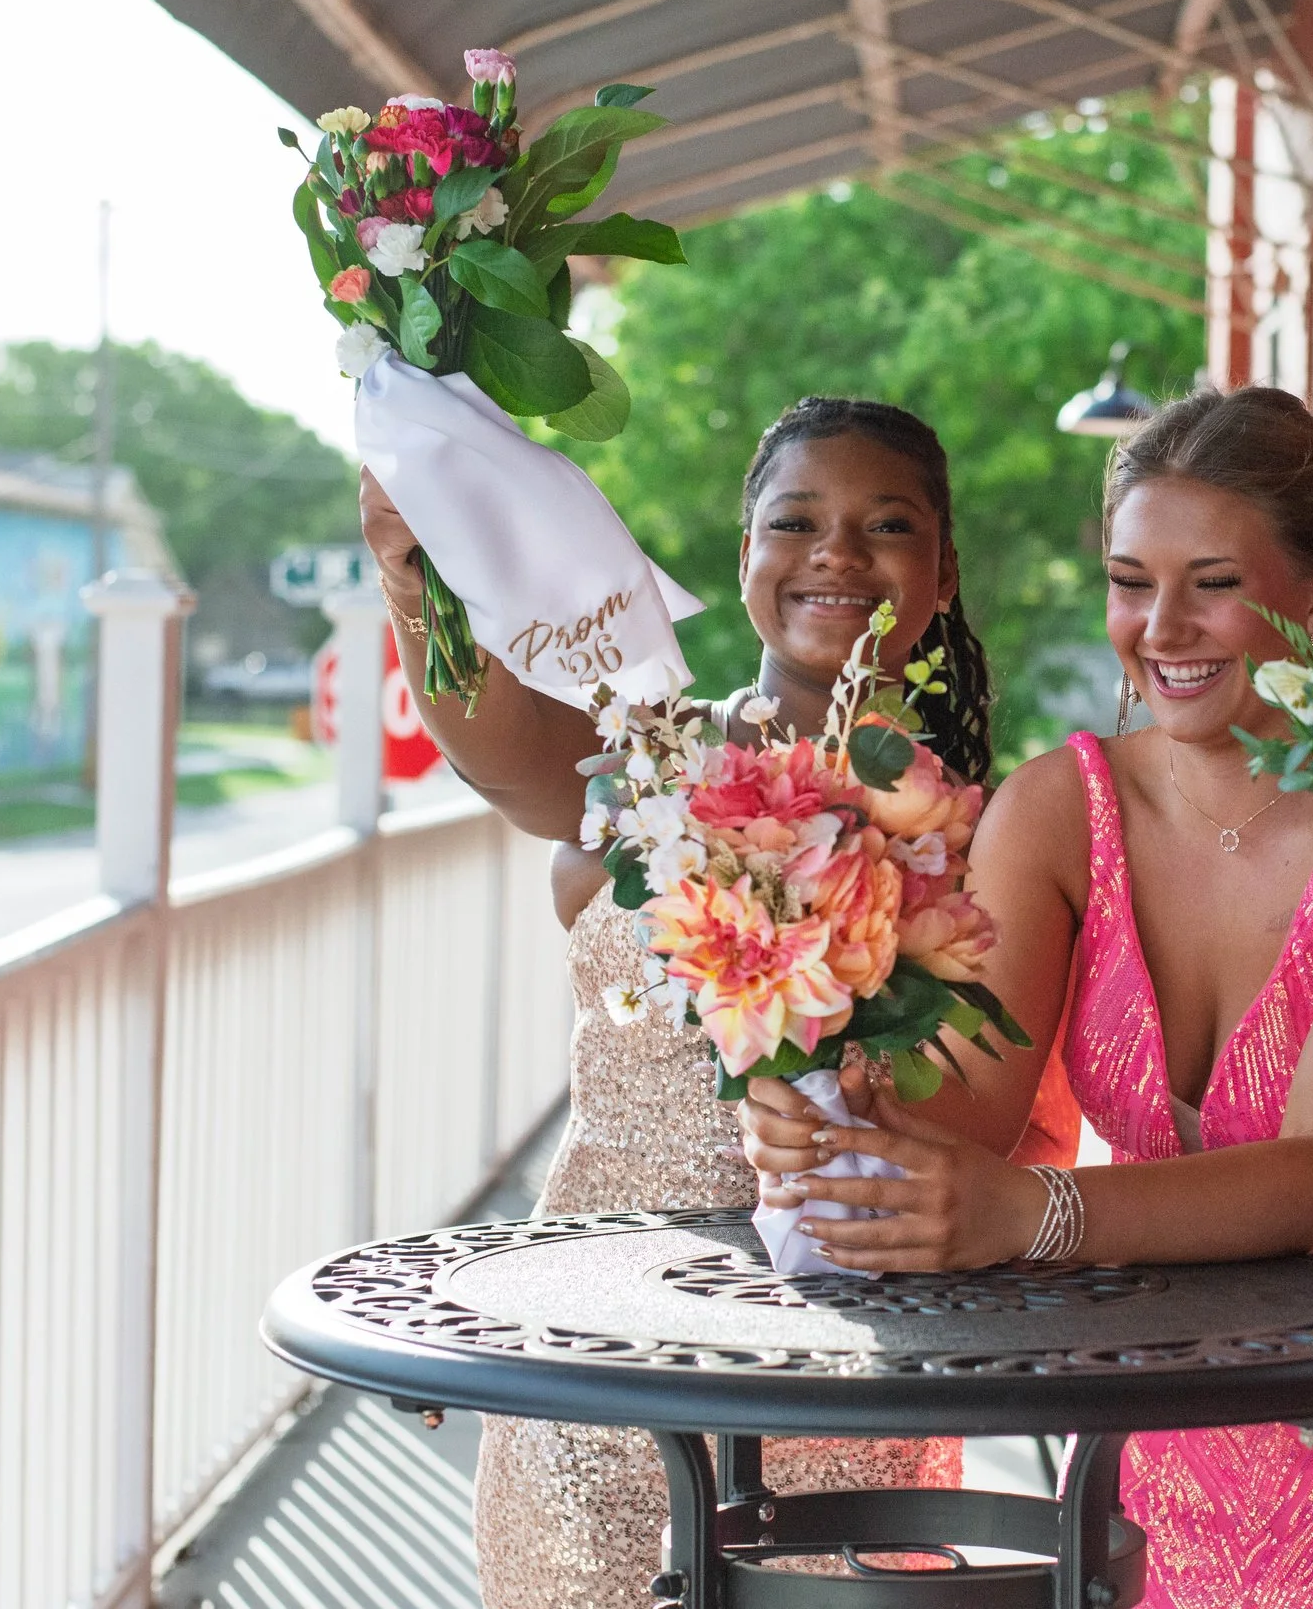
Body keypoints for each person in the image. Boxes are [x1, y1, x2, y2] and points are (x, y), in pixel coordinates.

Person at [736, 386, 1313, 1609]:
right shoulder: (1054, 809)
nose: (1162, 625)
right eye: (1132, 580)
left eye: (1214, 583)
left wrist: (1029, 1215)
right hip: (1137, 1433)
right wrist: (831, 1108)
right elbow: (968, 1116)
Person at [361, 396, 1049, 1608]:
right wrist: (421, 586)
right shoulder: (651, 763)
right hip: (592, 1375)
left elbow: (981, 1121)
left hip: (844, 1385)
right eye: (796, 521)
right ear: (745, 561)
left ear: (941, 573)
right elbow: (507, 756)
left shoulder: (993, 835)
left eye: (885, 525)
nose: (837, 552)